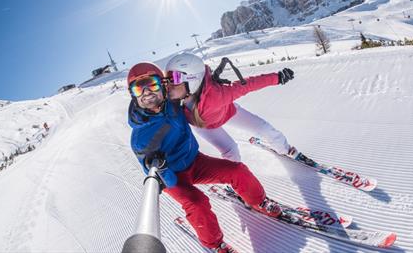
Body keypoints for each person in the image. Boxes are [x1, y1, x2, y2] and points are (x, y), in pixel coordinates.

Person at [127, 62, 282, 253]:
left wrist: (209, 82)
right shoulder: (140, 138)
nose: (146, 93)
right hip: (172, 177)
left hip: (195, 161)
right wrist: (160, 169)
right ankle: (214, 244)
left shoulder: (173, 104)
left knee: (237, 170)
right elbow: (151, 174)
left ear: (163, 84)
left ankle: (258, 201)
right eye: (138, 88)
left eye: (151, 84)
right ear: (132, 94)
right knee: (197, 202)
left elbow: (194, 82)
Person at [165, 53, 296, 162]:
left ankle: (284, 149)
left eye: (175, 78)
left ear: (192, 79)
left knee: (264, 128)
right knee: (231, 151)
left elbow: (248, 85)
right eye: (167, 80)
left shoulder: (217, 95)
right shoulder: (172, 103)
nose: (168, 85)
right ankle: (235, 182)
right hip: (204, 127)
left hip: (228, 112)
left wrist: (277, 78)